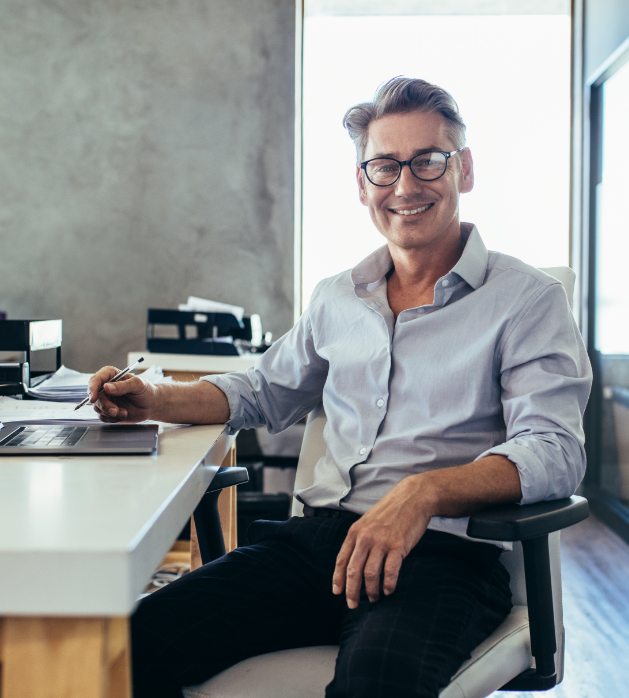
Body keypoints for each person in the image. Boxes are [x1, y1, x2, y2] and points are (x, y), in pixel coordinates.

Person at [89, 77, 592, 698]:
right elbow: (259, 390)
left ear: (463, 169)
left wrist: (424, 494)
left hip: (439, 560)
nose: (405, 185)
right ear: (363, 184)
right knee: (125, 652)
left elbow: (555, 449)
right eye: (384, 165)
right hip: (314, 548)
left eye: (428, 161)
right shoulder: (336, 296)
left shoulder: (527, 301)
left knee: (377, 685)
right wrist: (155, 399)